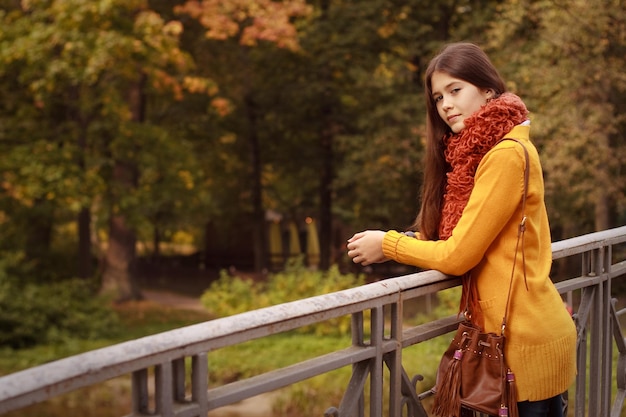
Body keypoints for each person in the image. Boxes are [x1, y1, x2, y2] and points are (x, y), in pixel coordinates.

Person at [346, 42, 576, 417]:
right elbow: (465, 235)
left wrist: (388, 244)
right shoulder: (482, 155)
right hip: (521, 337)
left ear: (488, 90)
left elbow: (458, 255)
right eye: (438, 97)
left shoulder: (504, 155)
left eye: (456, 90)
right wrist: (414, 240)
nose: (446, 105)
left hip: (522, 344)